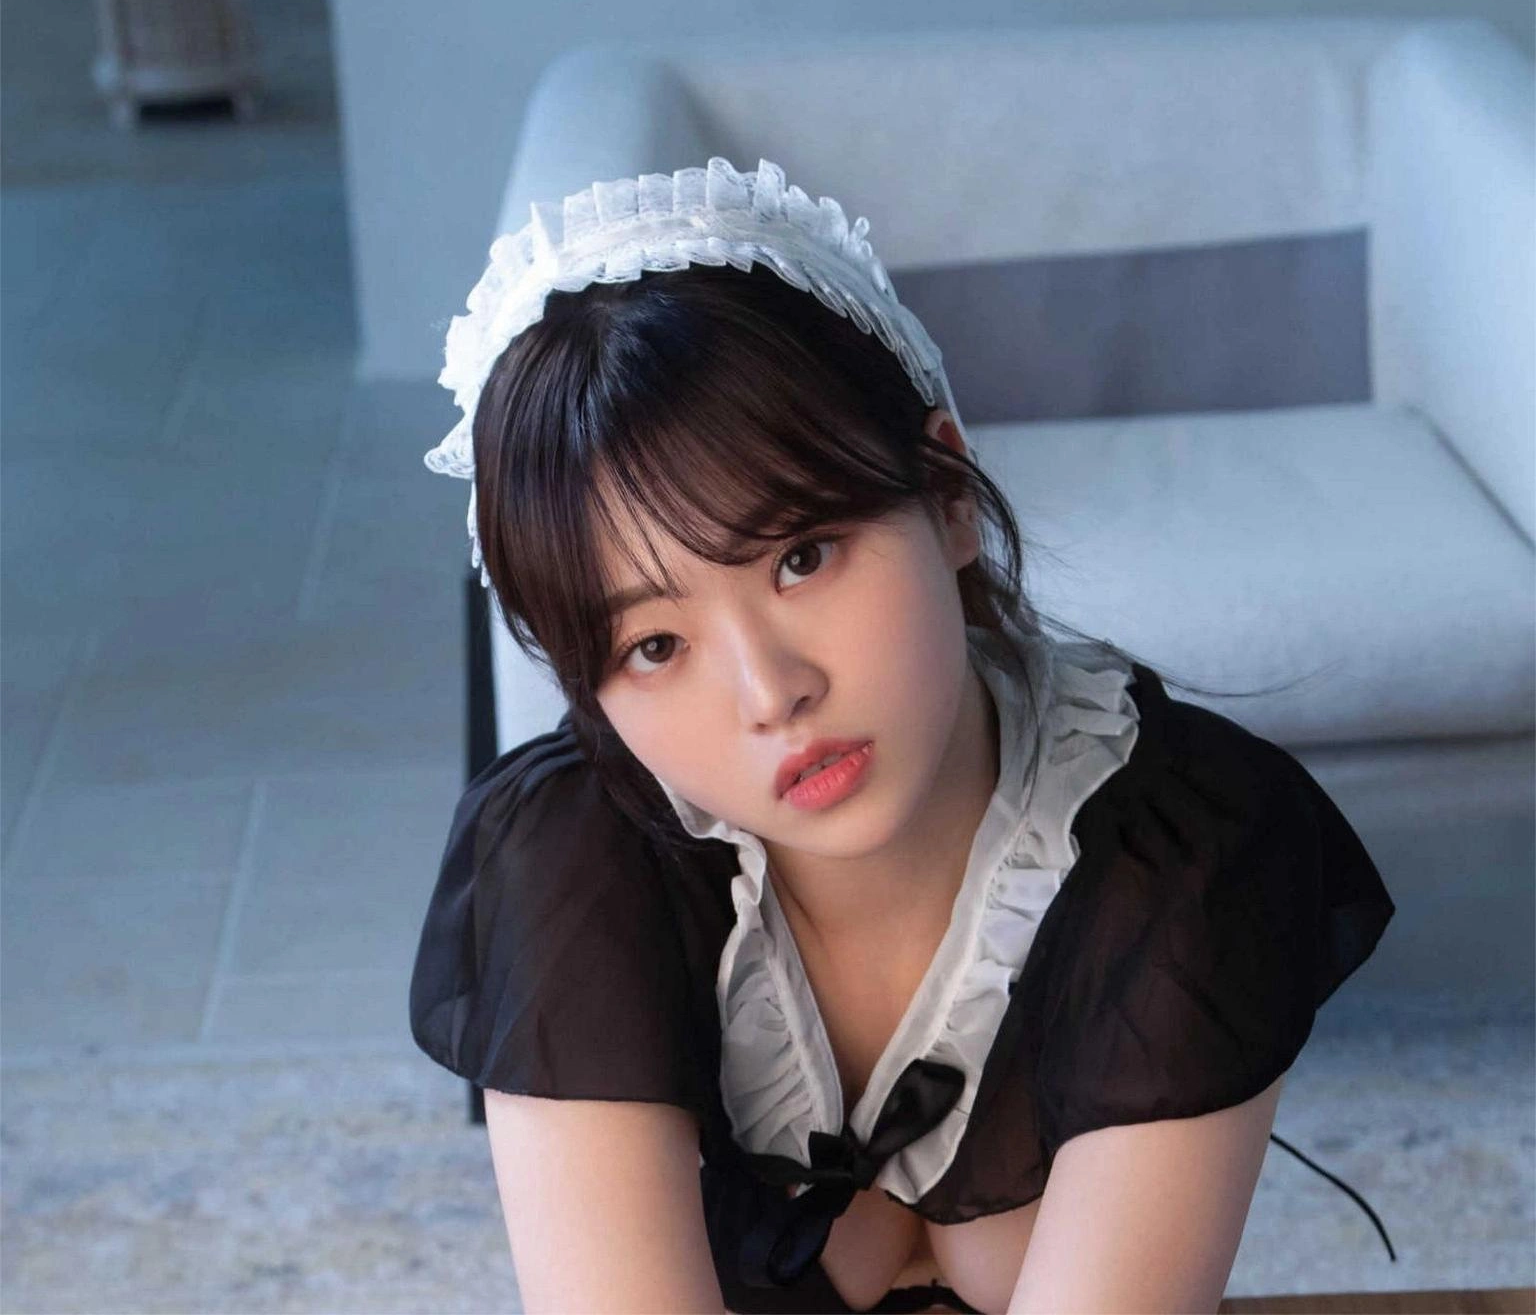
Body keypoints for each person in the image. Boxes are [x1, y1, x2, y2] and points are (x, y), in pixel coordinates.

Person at [409, 158, 1397, 1313]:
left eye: (802, 557)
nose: (770, 693)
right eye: (655, 645)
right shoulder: (570, 860)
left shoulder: (1183, 850)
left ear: (948, 493)